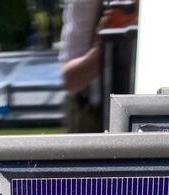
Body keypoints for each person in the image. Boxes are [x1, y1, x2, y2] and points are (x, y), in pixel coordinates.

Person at [59, 0, 138, 133]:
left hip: (158, 110)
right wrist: (106, 41)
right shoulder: (86, 4)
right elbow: (69, 79)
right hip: (99, 119)